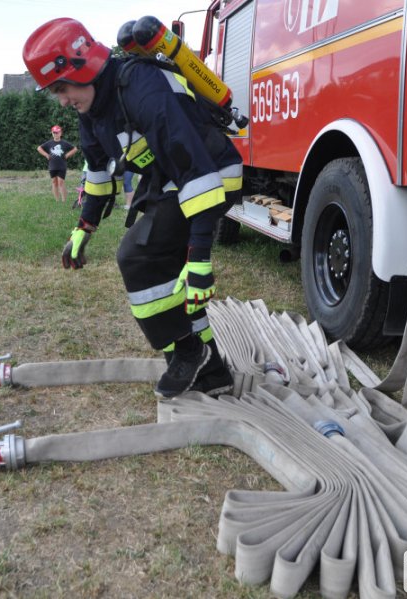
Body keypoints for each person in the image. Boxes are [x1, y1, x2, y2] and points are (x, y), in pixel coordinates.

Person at [23, 18, 243, 398]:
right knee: (164, 271)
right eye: (55, 93)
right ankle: (211, 372)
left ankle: (190, 352)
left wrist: (201, 257)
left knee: (137, 257)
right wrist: (83, 228)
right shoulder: (91, 109)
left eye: (62, 88)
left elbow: (193, 167)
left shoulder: (141, 85)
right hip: (171, 179)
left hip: (211, 175)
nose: (62, 100)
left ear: (83, 67)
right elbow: (96, 171)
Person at [37, 125, 77, 202]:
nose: (55, 134)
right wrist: (46, 155)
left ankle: (64, 201)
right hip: (52, 166)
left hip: (62, 166)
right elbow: (39, 148)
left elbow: (75, 149)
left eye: (57, 132)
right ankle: (57, 201)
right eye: (54, 132)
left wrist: (68, 155)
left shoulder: (64, 143)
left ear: (60, 133)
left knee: (61, 183)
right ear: (52, 133)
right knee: (54, 182)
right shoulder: (49, 143)